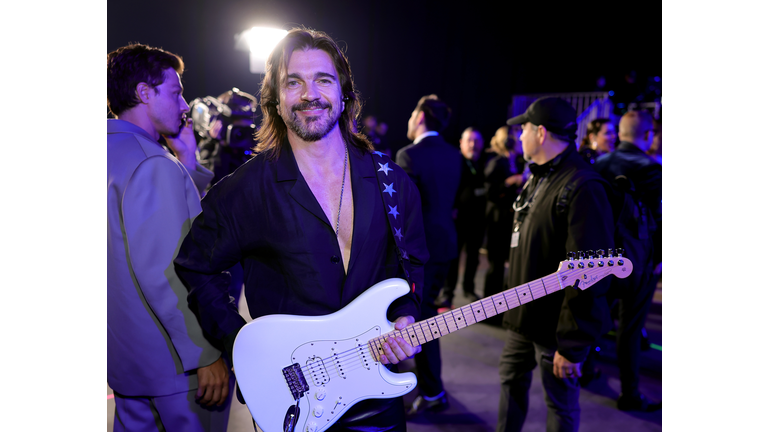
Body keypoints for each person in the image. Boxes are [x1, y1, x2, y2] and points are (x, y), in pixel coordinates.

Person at [173, 28, 428, 431]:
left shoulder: (391, 181)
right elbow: (195, 266)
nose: (310, 93)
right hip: (292, 404)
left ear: (344, 93)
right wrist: (239, 343)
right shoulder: (246, 189)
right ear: (275, 97)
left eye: (323, 80)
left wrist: (407, 317)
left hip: (376, 400)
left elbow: (413, 266)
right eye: (294, 82)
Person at [107, 43, 232, 431]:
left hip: (126, 363)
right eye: (175, 92)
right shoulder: (151, 163)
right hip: (176, 367)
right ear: (145, 93)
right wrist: (205, 352)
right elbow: (165, 272)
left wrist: (187, 165)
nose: (184, 104)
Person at [497, 97, 614, 432]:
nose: (519, 136)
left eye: (524, 129)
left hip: (556, 331)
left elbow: (591, 275)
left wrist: (573, 344)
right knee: (510, 386)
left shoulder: (583, 186)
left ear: (541, 132)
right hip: (522, 316)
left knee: (560, 405)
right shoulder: (540, 176)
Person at [395, 94, 463, 416]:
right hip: (447, 245)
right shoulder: (455, 155)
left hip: (419, 251)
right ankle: (432, 388)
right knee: (427, 316)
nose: (409, 119)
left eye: (411, 113)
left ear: (420, 115)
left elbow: (404, 214)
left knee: (419, 321)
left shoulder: (409, 155)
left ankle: (433, 391)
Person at [593, 109, 662, 412]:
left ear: (620, 133)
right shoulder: (651, 168)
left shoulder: (601, 163)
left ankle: (583, 369)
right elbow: (659, 221)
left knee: (596, 317)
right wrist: (658, 261)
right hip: (638, 261)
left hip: (601, 256)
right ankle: (630, 393)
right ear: (647, 135)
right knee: (630, 329)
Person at [438, 127, 487, 308]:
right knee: (454, 257)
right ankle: (448, 293)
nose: (473, 144)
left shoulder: (484, 162)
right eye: (469, 140)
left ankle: (469, 289)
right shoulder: (455, 162)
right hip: (457, 219)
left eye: (476, 141)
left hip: (478, 218)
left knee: (473, 256)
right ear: (461, 143)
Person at [482, 126, 525, 316]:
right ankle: (488, 309)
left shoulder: (516, 160)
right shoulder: (496, 162)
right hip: (497, 218)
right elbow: (489, 192)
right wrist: (509, 182)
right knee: (496, 263)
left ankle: (501, 306)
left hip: (510, 218)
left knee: (509, 263)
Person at [195, 87, 259, 191]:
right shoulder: (209, 147)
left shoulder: (252, 144)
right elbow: (213, 187)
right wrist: (219, 145)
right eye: (237, 128)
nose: (240, 134)